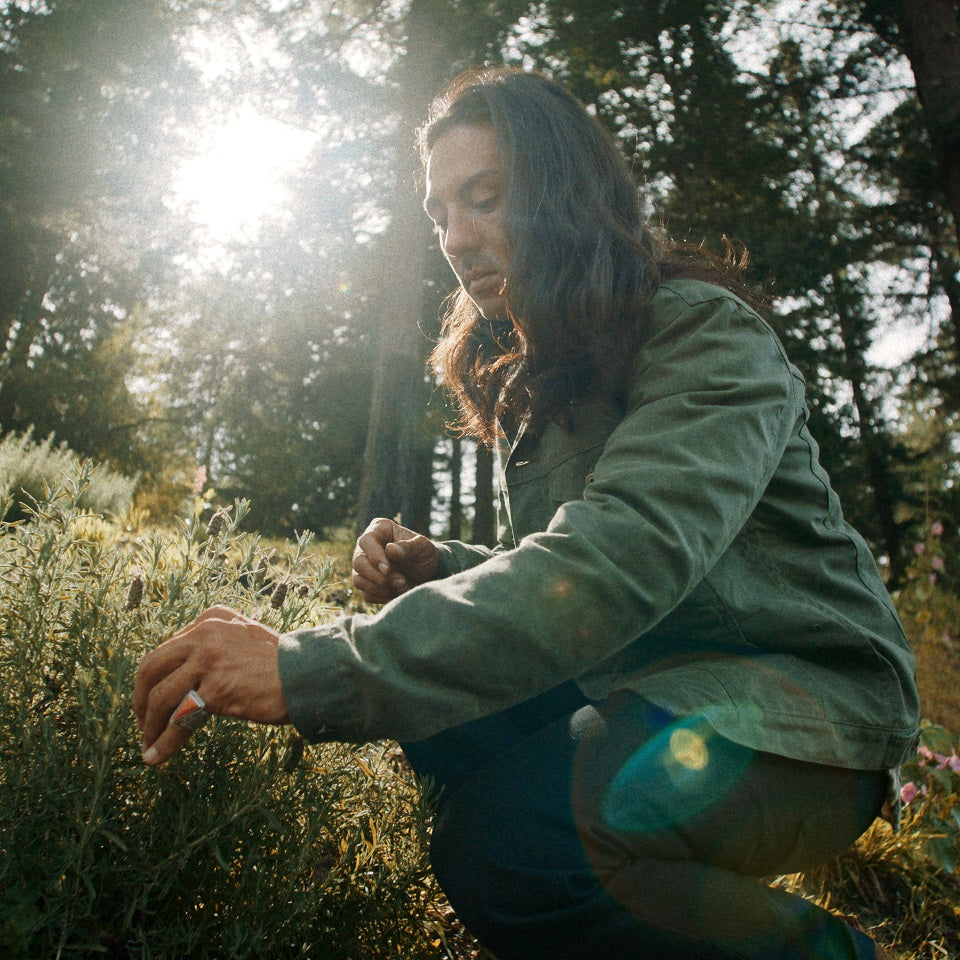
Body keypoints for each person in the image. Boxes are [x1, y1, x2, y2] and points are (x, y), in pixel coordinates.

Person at [133, 68, 919, 960]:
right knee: (450, 733)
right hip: (652, 688)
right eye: (439, 217)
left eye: (486, 198)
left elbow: (619, 563)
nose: (458, 239)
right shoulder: (545, 375)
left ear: (565, 190)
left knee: (514, 848)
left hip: (808, 726)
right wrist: (448, 566)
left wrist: (306, 668)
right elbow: (554, 567)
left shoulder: (701, 331)